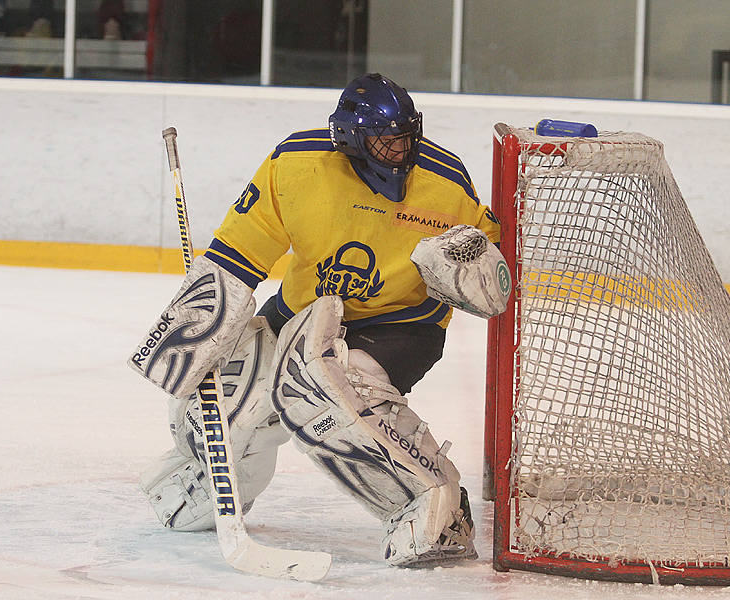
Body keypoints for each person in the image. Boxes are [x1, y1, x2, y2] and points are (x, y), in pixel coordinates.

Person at [134, 73, 510, 567]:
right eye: (384, 141)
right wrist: (194, 333)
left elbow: (486, 251)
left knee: (327, 391)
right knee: (227, 398)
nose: (399, 151)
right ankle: (211, 483)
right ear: (350, 138)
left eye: (405, 137)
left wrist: (472, 266)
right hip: (303, 312)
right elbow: (237, 254)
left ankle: (437, 506)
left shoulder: (445, 180)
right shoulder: (297, 165)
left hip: (400, 322)